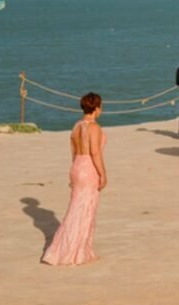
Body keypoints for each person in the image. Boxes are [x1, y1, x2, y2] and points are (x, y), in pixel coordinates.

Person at [42, 92, 105, 266]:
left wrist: (74, 169)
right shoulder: (94, 128)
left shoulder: (76, 126)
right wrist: (103, 173)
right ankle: (78, 251)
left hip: (76, 165)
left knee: (75, 207)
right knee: (85, 209)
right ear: (96, 108)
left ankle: (66, 248)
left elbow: (73, 150)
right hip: (88, 167)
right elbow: (95, 152)